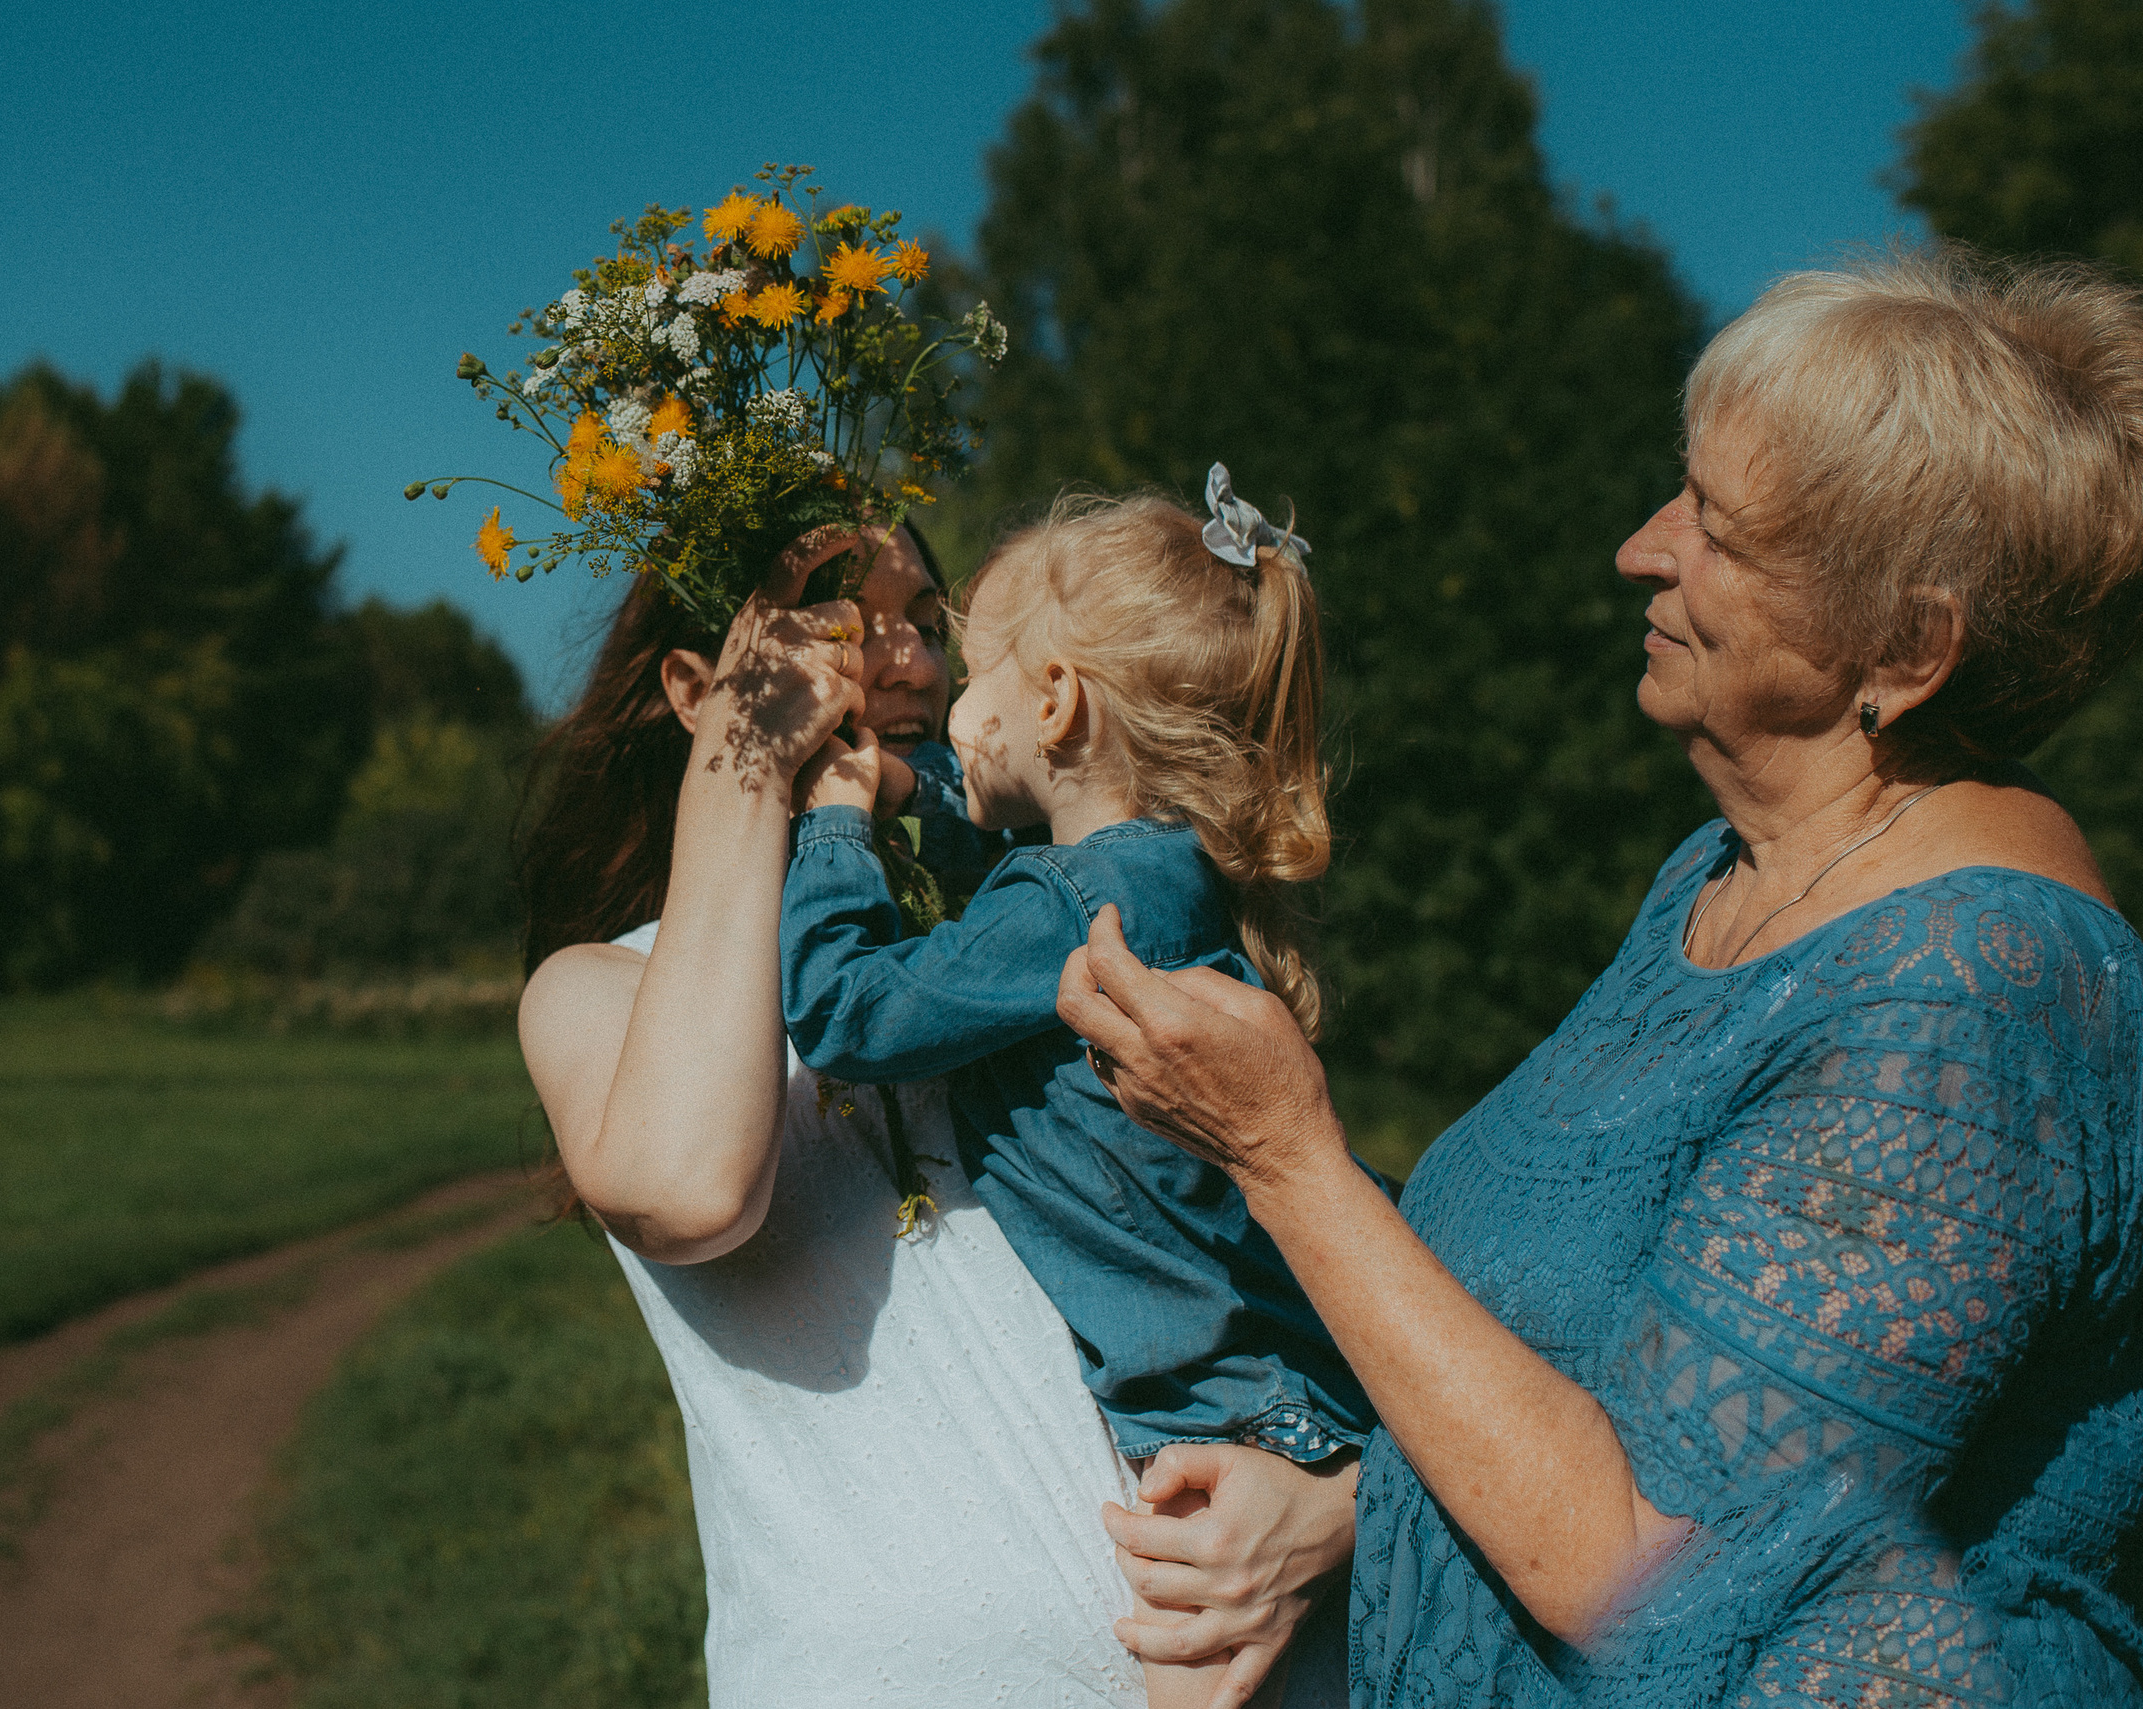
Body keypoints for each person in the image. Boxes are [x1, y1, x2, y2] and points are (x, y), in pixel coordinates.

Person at [1057, 245, 2143, 1707]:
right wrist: (1347, 1519)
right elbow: (1614, 1398)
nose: (1642, 547)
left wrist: (1282, 1152)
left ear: (1910, 643)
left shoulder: (1971, 1007)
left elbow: (1665, 1565)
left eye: (1722, 530)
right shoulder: (1721, 880)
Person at [516, 522, 1357, 1708]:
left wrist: (1339, 1508)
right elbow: (689, 1184)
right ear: (704, 691)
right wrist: (757, 762)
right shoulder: (602, 988)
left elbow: (1286, 1272)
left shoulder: (1033, 936)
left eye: (926, 617)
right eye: (844, 618)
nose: (910, 658)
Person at [776, 482, 1375, 1709]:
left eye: (970, 679)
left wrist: (835, 824)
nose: (949, 711)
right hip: (1272, 1386)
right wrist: (913, 793)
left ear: (1053, 701)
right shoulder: (1154, 871)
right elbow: (996, 818)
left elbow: (848, 1012)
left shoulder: (1059, 911)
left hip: (1221, 1420)